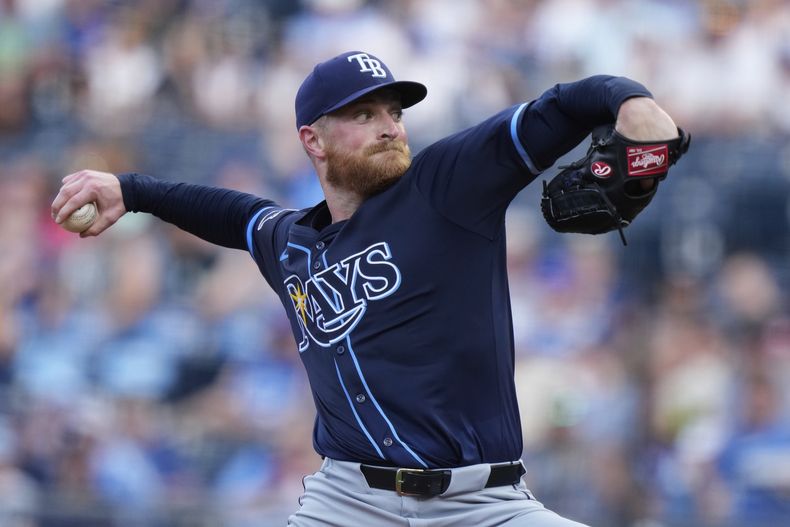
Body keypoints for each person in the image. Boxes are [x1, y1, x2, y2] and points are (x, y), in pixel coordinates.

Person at [52, 50, 681, 526]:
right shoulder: (290, 242)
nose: (389, 126)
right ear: (312, 140)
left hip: (482, 506)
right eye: (363, 114)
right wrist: (130, 191)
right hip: (348, 502)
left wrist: (629, 99)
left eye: (394, 112)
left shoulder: (444, 186)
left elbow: (559, 108)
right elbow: (230, 213)